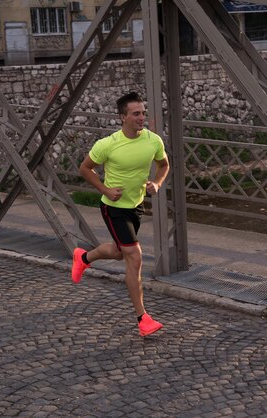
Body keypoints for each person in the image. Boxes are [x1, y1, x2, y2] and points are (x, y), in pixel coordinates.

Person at [71, 92, 169, 337]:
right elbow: (85, 168)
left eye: (143, 113)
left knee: (118, 252)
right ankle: (142, 318)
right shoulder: (108, 144)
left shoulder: (153, 140)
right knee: (134, 256)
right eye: (136, 114)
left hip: (135, 206)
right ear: (122, 117)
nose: (141, 117)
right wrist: (104, 188)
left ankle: (83, 258)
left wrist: (156, 183)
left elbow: (164, 165)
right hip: (113, 208)